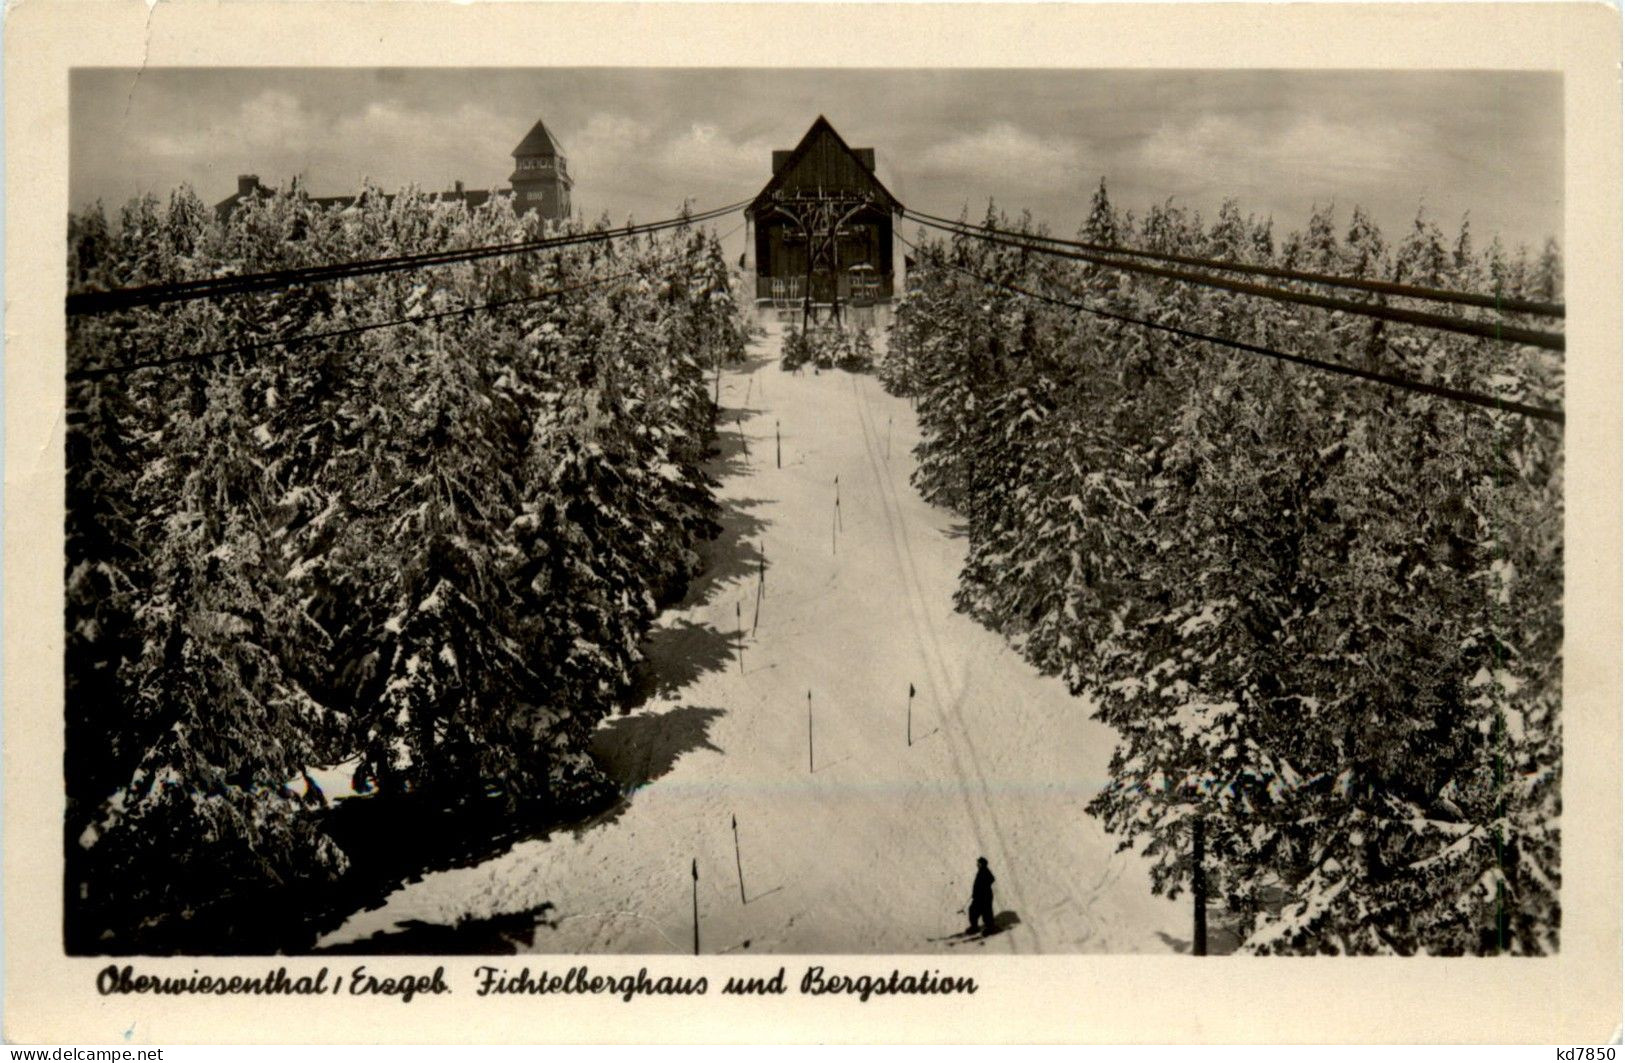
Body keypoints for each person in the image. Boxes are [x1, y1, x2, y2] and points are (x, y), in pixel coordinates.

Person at [967, 857, 996, 935]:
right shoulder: (981, 871)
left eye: (978, 863)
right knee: (973, 911)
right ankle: (974, 927)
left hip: (985, 896)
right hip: (979, 897)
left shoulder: (985, 871)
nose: (977, 864)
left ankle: (990, 928)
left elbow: (992, 879)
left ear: (981, 864)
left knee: (986, 912)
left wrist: (982, 888)